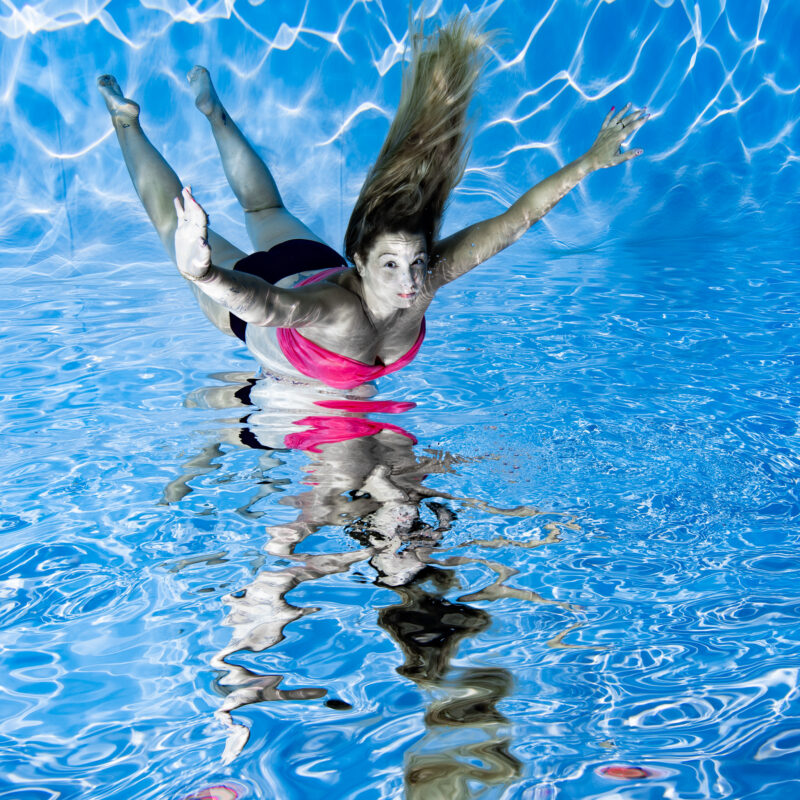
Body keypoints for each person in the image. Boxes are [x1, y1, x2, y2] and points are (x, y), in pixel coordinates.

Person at [98, 17, 647, 392]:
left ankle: (214, 112)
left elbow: (514, 222)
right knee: (173, 220)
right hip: (255, 292)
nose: (409, 282)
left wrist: (590, 162)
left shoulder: (425, 278)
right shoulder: (338, 312)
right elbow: (267, 306)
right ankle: (127, 122)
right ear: (358, 262)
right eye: (390, 265)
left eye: (415, 261)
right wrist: (204, 273)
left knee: (263, 208)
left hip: (308, 264)